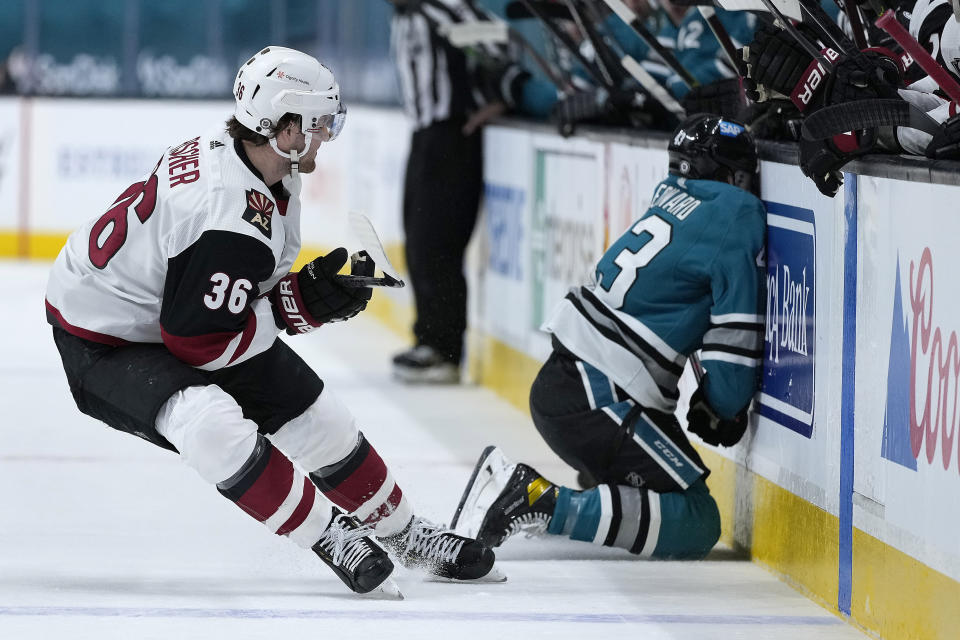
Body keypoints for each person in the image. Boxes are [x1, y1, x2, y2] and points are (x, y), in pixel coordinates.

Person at [44, 45, 502, 597]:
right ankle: (332, 535)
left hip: (174, 311)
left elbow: (226, 297)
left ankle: (407, 535)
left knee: (319, 416)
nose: (326, 132)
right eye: (316, 121)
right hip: (105, 339)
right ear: (281, 125)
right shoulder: (226, 211)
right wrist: (301, 304)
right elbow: (198, 344)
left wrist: (303, 292)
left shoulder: (261, 165)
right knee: (209, 425)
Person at [451, 114, 765, 560]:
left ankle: (599, 491)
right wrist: (724, 404)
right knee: (697, 519)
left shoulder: (670, 199)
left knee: (663, 489)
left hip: (571, 382)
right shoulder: (736, 212)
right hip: (599, 395)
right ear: (732, 175)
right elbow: (735, 335)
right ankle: (538, 500)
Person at [388, 0, 500, 383]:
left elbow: (501, 44)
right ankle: (429, 339)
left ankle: (444, 350)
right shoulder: (406, 14)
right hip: (423, 136)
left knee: (439, 243)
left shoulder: (445, 7)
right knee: (418, 242)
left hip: (453, 136)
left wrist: (497, 101)